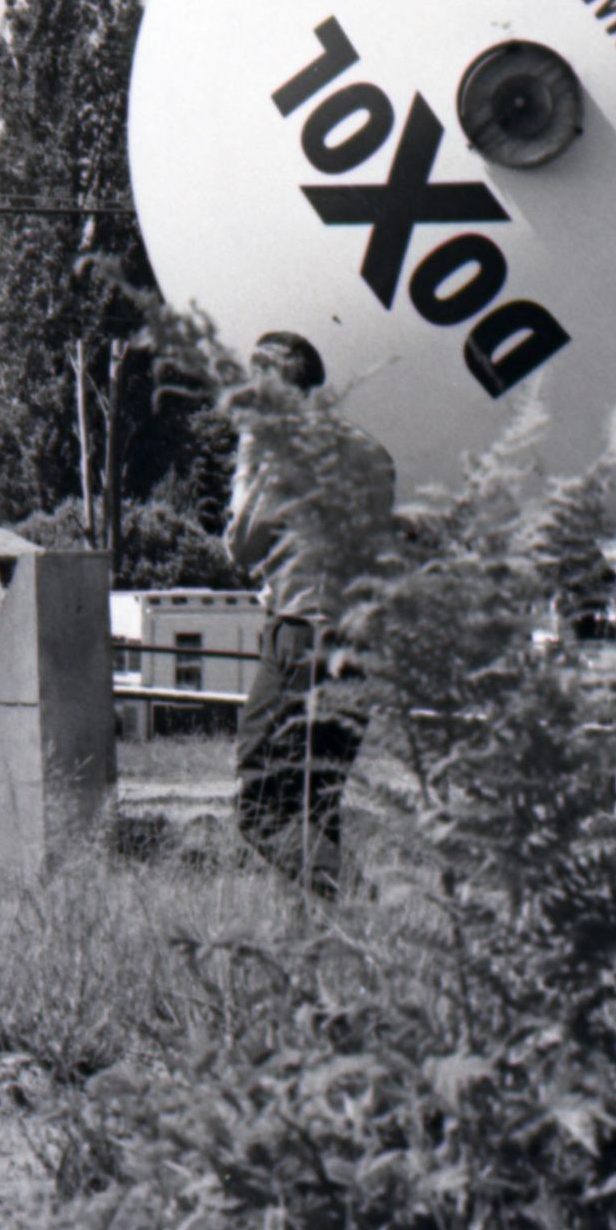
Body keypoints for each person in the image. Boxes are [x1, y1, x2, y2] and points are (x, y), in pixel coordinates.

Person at [227, 333, 391, 895]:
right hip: (359, 647)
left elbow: (241, 547)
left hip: (301, 636)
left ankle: (358, 898)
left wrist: (248, 465)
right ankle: (333, 931)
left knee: (261, 810)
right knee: (317, 804)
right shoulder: (374, 455)